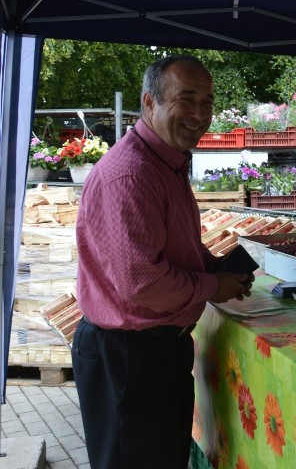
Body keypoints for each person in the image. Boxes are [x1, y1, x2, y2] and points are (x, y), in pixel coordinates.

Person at [71, 55, 254, 469]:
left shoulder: (167, 161)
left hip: (156, 350)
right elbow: (143, 282)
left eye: (207, 102)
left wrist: (211, 265)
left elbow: (174, 246)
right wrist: (214, 287)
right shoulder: (134, 173)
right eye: (186, 100)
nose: (199, 114)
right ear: (148, 102)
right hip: (130, 356)